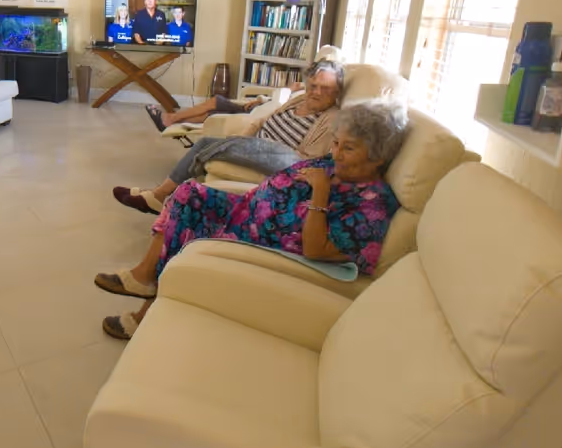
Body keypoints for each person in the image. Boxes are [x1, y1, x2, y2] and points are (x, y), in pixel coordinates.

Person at [95, 101, 408, 339]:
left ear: (378, 156)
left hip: (262, 239)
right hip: (248, 213)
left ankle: (144, 310)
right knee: (187, 192)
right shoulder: (335, 164)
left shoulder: (373, 207)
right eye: (336, 142)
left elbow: (316, 249)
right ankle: (145, 277)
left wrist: (321, 193)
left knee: (186, 218)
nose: (336, 153)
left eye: (348, 148)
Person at [124, 60, 343, 212]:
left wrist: (246, 145)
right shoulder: (299, 99)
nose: (316, 92)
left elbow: (308, 158)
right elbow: (261, 121)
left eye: (325, 89)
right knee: (214, 146)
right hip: (257, 146)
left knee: (206, 144)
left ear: (336, 92)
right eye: (313, 86)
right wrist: (241, 139)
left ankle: (160, 194)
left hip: (284, 159)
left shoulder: (331, 117)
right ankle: (165, 195)